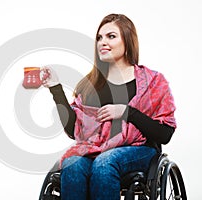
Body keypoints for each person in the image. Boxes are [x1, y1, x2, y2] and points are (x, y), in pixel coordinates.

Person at [41, 13, 176, 200]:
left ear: (127, 40)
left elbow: (165, 133)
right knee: (72, 163)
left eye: (111, 36)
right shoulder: (90, 84)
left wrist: (127, 113)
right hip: (95, 149)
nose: (102, 42)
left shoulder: (153, 82)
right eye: (99, 37)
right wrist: (56, 89)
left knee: (105, 162)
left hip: (140, 150)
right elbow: (74, 131)